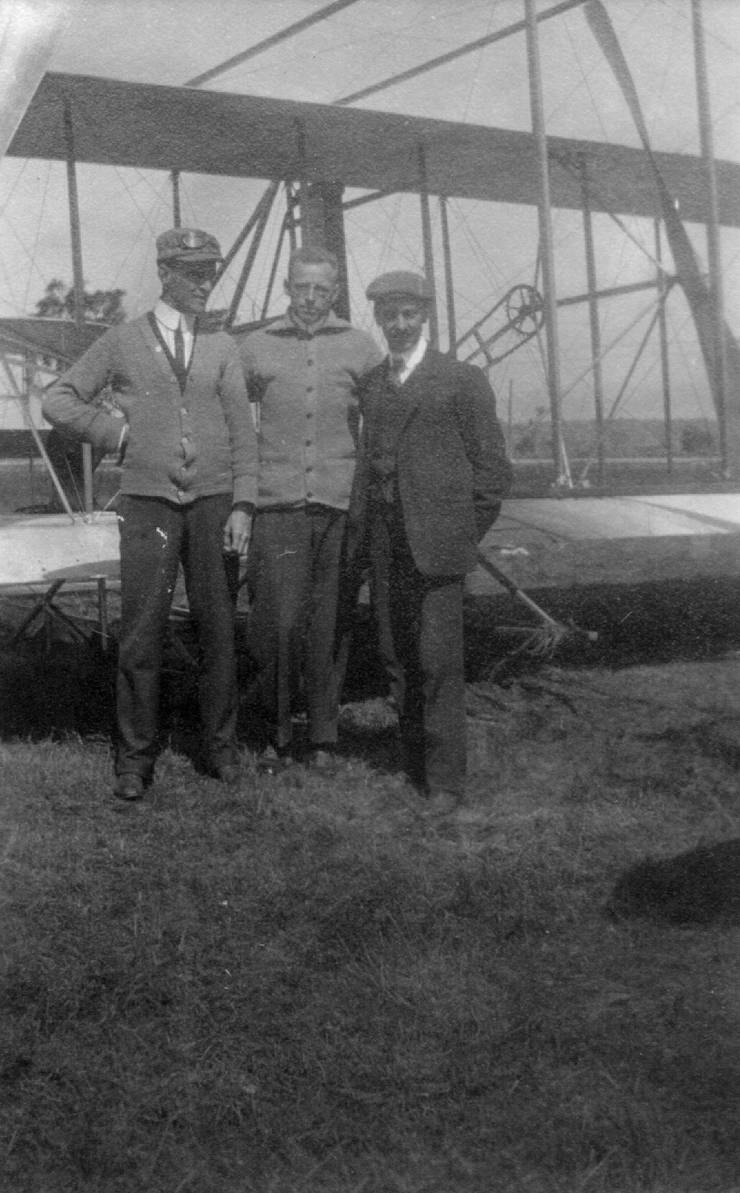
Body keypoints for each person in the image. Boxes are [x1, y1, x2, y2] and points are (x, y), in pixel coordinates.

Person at [43, 227, 258, 801]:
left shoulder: (223, 346)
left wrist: (243, 503)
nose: (205, 282)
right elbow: (58, 398)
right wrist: (116, 432)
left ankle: (221, 749)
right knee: (141, 632)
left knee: (217, 629)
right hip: (148, 504)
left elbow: (243, 432)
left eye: (211, 271)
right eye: (193, 272)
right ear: (165, 273)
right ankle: (134, 759)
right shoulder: (122, 341)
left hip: (214, 502)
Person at [350, 270, 512, 813]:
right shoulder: (371, 384)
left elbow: (493, 473)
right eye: (389, 315)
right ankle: (413, 762)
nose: (399, 325)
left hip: (438, 549)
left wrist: (460, 535)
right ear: (376, 317)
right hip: (385, 544)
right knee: (396, 657)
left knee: (438, 661)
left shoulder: (462, 379)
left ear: (426, 316)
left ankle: (445, 781)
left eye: (409, 314)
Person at [238, 245, 383, 768]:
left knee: (329, 625)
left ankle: (323, 735)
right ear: (287, 287)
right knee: (276, 624)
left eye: (322, 289)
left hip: (340, 507)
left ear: (335, 292)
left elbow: (384, 424)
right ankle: (275, 734)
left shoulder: (361, 347)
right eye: (303, 287)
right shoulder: (255, 347)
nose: (311, 298)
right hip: (276, 508)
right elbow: (231, 418)